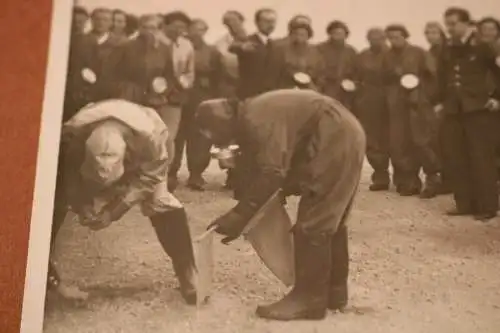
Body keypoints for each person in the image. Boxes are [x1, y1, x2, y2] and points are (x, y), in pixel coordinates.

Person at [195, 89, 366, 321]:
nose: (224, 144)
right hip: (339, 131)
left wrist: (239, 216)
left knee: (314, 222)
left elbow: (272, 173)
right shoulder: (254, 110)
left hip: (334, 135)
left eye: (219, 137)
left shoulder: (257, 119)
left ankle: (309, 300)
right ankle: (333, 292)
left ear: (224, 123)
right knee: (329, 218)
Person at [47, 100, 198, 304]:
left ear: (126, 155)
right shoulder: (71, 136)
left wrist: (113, 211)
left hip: (150, 151)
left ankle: (187, 270)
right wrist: (82, 205)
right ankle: (46, 279)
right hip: (94, 142)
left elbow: (149, 178)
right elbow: (69, 176)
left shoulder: (151, 139)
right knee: (55, 200)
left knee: (160, 200)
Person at [436, 7, 500, 220]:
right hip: (454, 110)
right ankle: (464, 203)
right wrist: (438, 101)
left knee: (481, 158)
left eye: (453, 24)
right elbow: (442, 77)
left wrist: (497, 98)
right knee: (457, 157)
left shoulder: (483, 46)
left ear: (465, 23)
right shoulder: (447, 47)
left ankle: (487, 206)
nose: (449, 28)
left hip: (478, 109)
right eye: (447, 24)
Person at [113, 14, 182, 188]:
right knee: (132, 137)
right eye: (146, 27)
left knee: (159, 139)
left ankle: (157, 178)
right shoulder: (125, 46)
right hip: (131, 97)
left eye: (154, 28)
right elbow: (112, 73)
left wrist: (163, 89)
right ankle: (126, 178)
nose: (150, 32)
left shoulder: (165, 48)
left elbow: (169, 75)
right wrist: (125, 90)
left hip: (155, 99)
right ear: (139, 28)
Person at [383, 24, 441, 198]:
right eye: (391, 37)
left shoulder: (419, 52)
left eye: (397, 36)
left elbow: (433, 75)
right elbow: (382, 78)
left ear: (405, 36)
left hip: (418, 104)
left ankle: (433, 179)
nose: (394, 40)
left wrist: (423, 93)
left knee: (422, 140)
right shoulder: (387, 56)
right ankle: (410, 181)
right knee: (400, 142)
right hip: (397, 104)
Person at [170, 19, 222, 191]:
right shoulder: (179, 47)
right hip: (179, 95)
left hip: (201, 98)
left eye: (202, 30)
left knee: (200, 138)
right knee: (176, 134)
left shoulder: (212, 51)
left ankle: (196, 174)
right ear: (189, 30)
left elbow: (217, 78)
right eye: (194, 29)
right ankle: (171, 172)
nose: (197, 33)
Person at [159, 11, 195, 190]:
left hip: (174, 97)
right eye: (176, 25)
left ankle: (162, 177)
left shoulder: (187, 45)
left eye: (183, 27)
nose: (179, 30)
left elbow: (190, 72)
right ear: (166, 25)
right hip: (152, 96)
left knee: (169, 137)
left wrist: (182, 84)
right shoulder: (155, 41)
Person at [355, 28, 391, 191]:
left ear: (385, 39)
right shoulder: (362, 56)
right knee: (373, 139)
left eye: (379, 38)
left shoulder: (393, 55)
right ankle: (380, 176)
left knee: (395, 138)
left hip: (391, 100)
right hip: (369, 100)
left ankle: (405, 177)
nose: (376, 42)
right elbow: (355, 76)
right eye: (372, 39)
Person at [228, 8, 286, 99]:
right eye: (266, 21)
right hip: (250, 96)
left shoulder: (277, 46)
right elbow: (232, 48)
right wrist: (242, 47)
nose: (270, 25)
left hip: (272, 96)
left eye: (273, 21)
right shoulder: (247, 41)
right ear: (257, 22)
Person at [424, 21, 451, 195]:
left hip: (448, 102)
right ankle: (441, 180)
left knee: (448, 142)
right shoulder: (429, 53)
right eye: (428, 33)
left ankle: (449, 181)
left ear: (441, 33)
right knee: (436, 141)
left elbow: (449, 80)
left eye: (434, 32)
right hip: (433, 102)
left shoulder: (449, 52)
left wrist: (444, 102)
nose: (431, 36)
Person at [317, 21, 358, 111]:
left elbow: (356, 70)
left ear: (345, 35)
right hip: (326, 87)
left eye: (340, 33)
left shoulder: (351, 51)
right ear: (330, 34)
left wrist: (352, 83)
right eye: (335, 33)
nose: (337, 36)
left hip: (344, 89)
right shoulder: (320, 49)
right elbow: (316, 67)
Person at [281, 19, 325, 90]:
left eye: (302, 35)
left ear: (308, 36)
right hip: (288, 86)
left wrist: (317, 87)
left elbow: (321, 73)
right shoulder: (283, 50)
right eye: (296, 34)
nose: (299, 37)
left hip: (309, 87)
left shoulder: (315, 52)